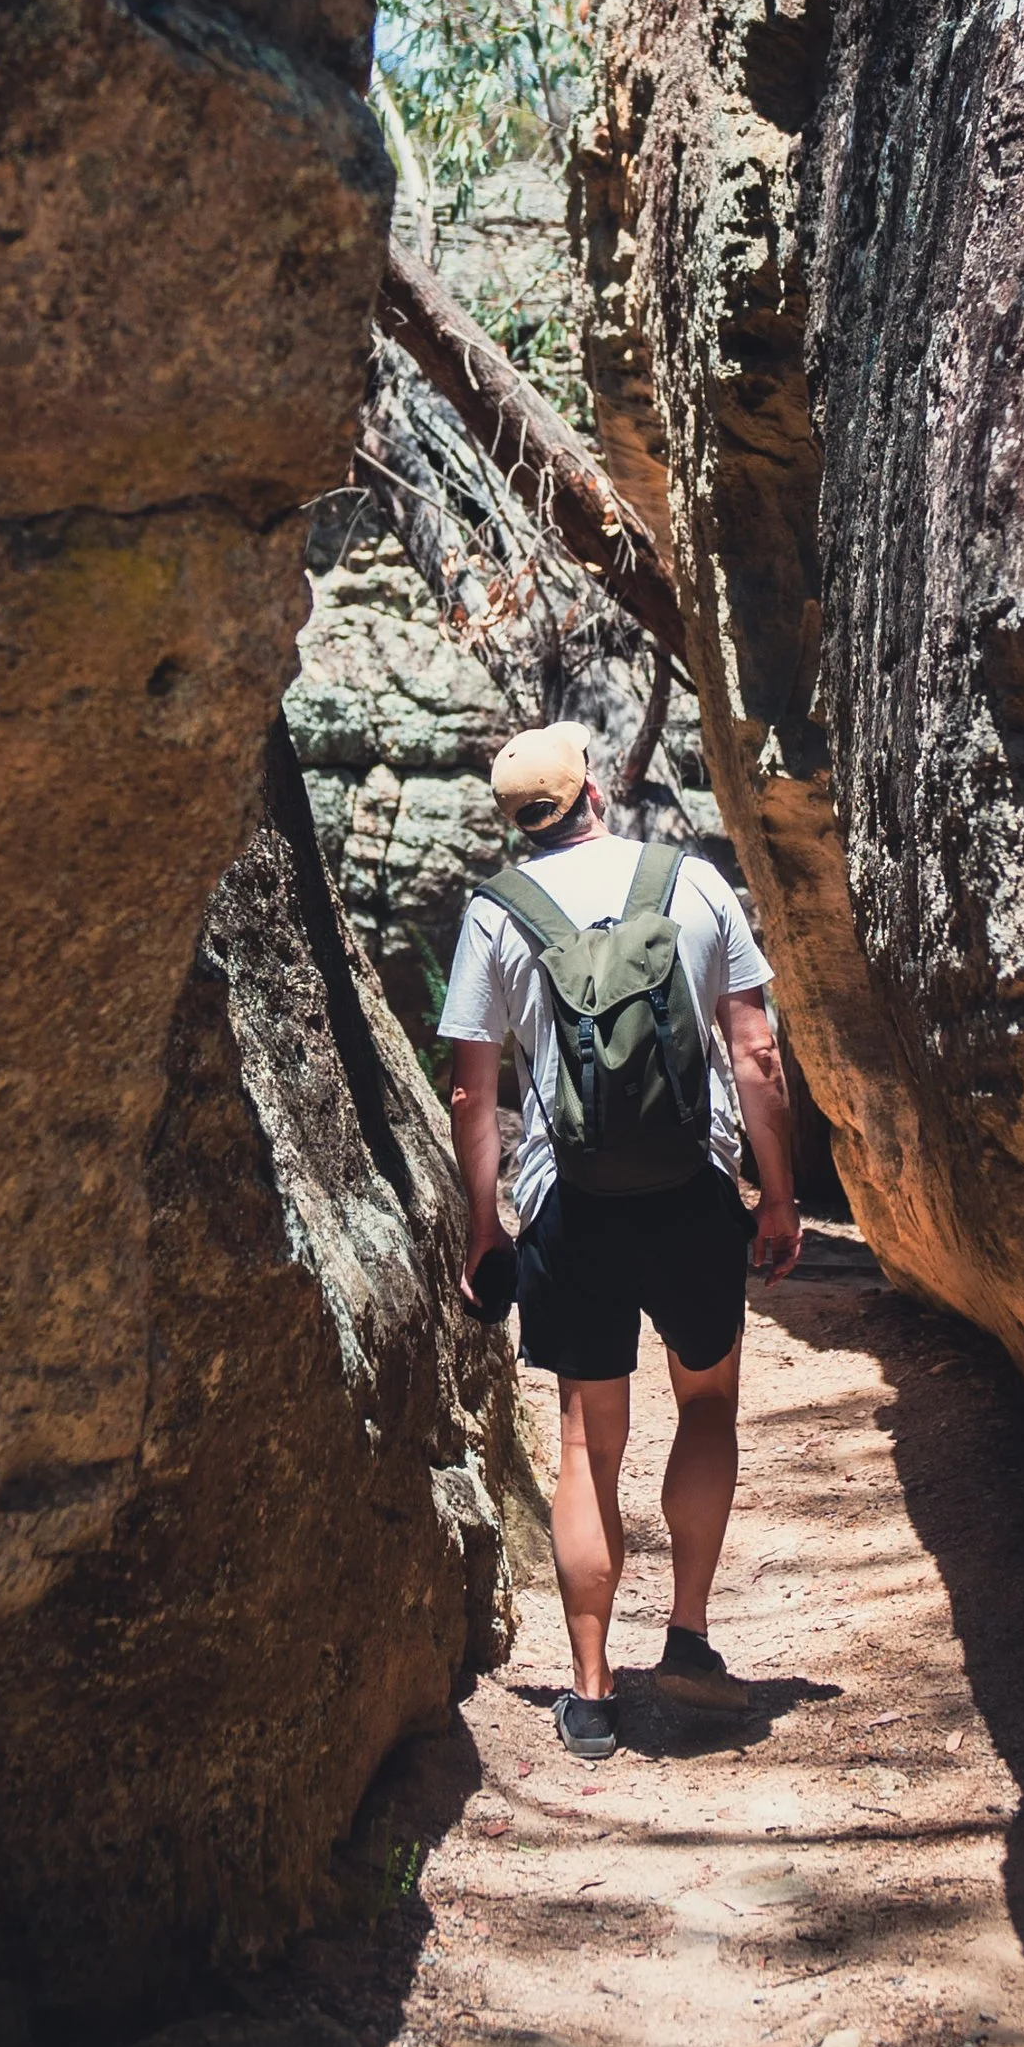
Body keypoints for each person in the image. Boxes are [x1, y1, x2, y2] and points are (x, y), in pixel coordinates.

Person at [440, 720, 802, 1762]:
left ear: (517, 818)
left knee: (584, 1442)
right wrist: (774, 1196)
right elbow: (755, 1049)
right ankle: (688, 1633)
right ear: (593, 787)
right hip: (690, 1188)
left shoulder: (494, 913)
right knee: (706, 1400)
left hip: (570, 1206)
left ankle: (592, 1692)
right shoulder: (690, 884)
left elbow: (473, 1086)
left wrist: (483, 1226)